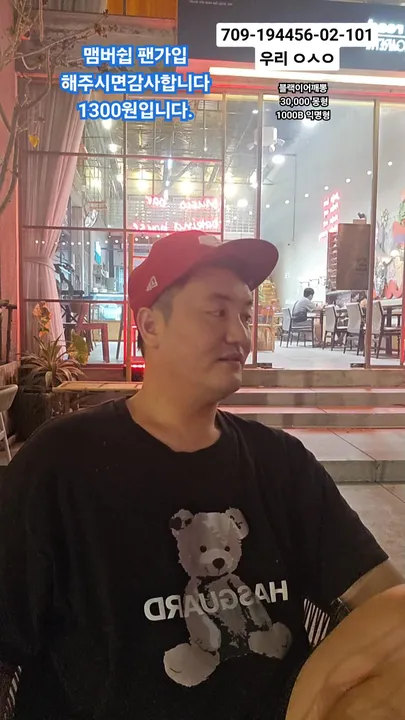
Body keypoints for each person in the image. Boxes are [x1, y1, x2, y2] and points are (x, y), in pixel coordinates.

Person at [0, 229, 403, 720]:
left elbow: (386, 602)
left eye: (245, 315)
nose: (241, 335)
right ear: (151, 325)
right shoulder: (61, 465)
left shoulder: (282, 465)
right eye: (217, 312)